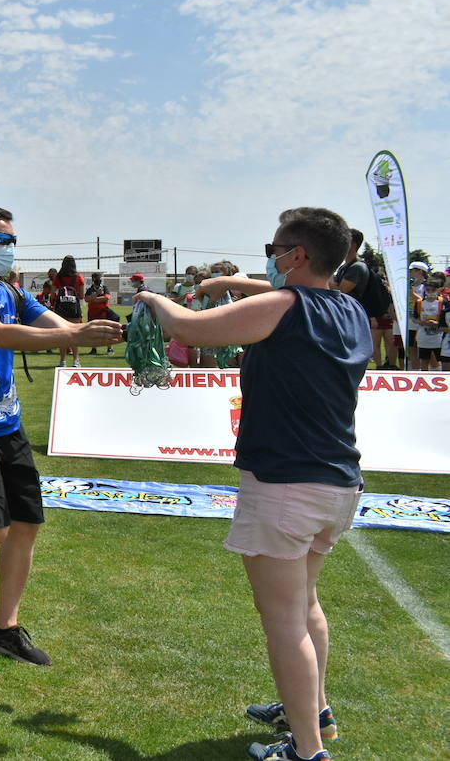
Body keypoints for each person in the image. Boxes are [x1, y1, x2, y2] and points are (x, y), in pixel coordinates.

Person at [139, 207, 371, 761]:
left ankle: (307, 750)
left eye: (275, 248)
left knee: (284, 621)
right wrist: (227, 281)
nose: (269, 257)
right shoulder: (352, 310)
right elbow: (274, 293)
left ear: (296, 255)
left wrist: (152, 300)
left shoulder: (284, 308)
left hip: (287, 483)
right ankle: (314, 710)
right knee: (306, 604)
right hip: (338, 483)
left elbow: (187, 328)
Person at [0, 204, 122, 661]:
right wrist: (73, 336)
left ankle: (3, 628)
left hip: (7, 424)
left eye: (12, 240)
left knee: (26, 524)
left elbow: (59, 325)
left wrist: (98, 331)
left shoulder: (11, 291)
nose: (11, 248)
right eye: (4, 240)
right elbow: (2, 336)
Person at [51, 255, 86, 367]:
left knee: (62, 335)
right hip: (74, 310)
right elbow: (81, 296)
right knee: (75, 334)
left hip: (61, 311)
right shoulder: (79, 277)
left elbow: (52, 294)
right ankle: (76, 361)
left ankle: (62, 361)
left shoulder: (58, 277)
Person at [82, 271, 116, 356]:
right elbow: (86, 299)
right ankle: (94, 349)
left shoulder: (104, 288)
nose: (99, 280)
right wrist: (97, 294)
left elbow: (106, 298)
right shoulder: (90, 289)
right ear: (93, 279)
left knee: (107, 331)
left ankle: (110, 349)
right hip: (92, 314)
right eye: (97, 278)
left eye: (99, 278)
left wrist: (93, 299)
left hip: (103, 313)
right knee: (93, 332)